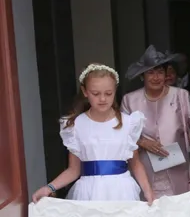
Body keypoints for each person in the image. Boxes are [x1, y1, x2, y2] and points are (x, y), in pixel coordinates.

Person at [31, 63, 153, 204]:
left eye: (108, 93)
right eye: (96, 94)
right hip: (88, 192)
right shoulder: (76, 125)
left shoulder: (128, 123)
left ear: (115, 91)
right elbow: (73, 170)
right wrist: (49, 187)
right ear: (85, 91)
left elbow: (136, 164)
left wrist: (148, 191)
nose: (102, 99)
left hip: (121, 191)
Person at [121, 45, 190, 197]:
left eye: (160, 72)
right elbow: (120, 132)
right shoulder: (129, 100)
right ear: (142, 76)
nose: (156, 77)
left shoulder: (181, 96)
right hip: (144, 169)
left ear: (167, 75)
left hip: (179, 170)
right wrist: (141, 141)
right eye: (150, 73)